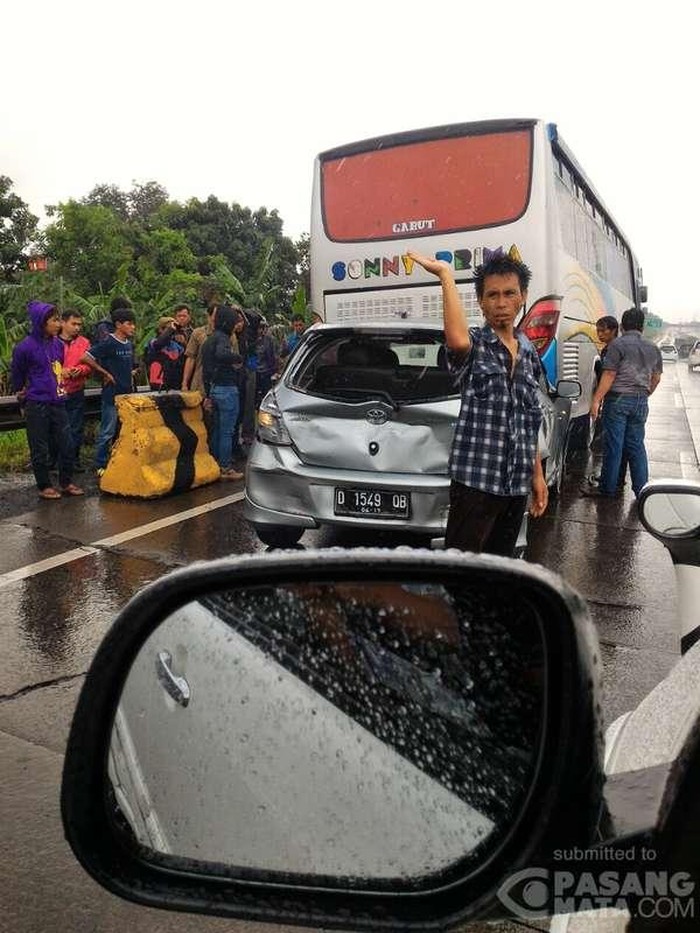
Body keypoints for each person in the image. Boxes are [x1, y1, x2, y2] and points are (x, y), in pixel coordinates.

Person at [407, 249, 547, 556]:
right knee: (465, 571)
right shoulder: (475, 347)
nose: (501, 303)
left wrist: (537, 475)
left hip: (515, 485)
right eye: (492, 295)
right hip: (475, 484)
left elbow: (530, 419)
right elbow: (456, 340)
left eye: (509, 293)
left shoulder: (528, 352)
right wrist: (446, 275)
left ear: (522, 296)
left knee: (499, 570)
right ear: (481, 302)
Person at [581, 306, 663, 499]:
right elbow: (656, 377)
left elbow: (609, 374)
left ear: (623, 326)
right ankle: (642, 492)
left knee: (614, 446)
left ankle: (607, 489)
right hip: (641, 400)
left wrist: (596, 400)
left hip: (617, 400)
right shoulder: (653, 348)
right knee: (636, 446)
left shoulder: (617, 346)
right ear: (642, 326)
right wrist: (644, 395)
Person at [10, 301, 84, 499]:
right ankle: (44, 486)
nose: (58, 324)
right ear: (41, 322)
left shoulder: (57, 345)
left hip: (58, 400)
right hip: (37, 402)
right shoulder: (24, 348)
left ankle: (66, 481)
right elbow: (17, 375)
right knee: (40, 447)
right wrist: (22, 393)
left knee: (67, 443)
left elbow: (56, 368)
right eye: (54, 320)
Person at [81, 308, 137, 474]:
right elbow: (86, 357)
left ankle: (118, 460)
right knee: (107, 431)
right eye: (129, 323)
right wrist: (104, 373)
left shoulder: (128, 344)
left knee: (123, 431)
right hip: (111, 394)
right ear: (118, 325)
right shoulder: (109, 342)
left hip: (127, 394)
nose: (133, 327)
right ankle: (100, 464)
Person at [201, 305, 245, 481]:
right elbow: (222, 354)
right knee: (227, 431)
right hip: (227, 389)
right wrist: (237, 358)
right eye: (235, 323)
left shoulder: (209, 340)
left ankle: (214, 463)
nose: (236, 326)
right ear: (228, 322)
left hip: (213, 389)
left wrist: (208, 394)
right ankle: (225, 468)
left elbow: (205, 370)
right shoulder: (223, 339)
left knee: (217, 429)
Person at [56, 309, 92, 472]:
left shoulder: (84, 342)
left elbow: (91, 364)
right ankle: (56, 461)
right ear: (63, 323)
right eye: (74, 324)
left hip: (77, 389)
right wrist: (60, 371)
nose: (77, 327)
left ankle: (73, 460)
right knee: (56, 428)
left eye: (79, 324)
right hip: (56, 391)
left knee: (76, 427)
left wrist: (81, 370)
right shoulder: (52, 341)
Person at [145, 316, 186, 390]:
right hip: (158, 384)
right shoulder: (153, 342)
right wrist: (170, 330)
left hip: (174, 383)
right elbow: (158, 344)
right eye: (168, 329)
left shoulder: (176, 345)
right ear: (160, 329)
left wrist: (183, 340)